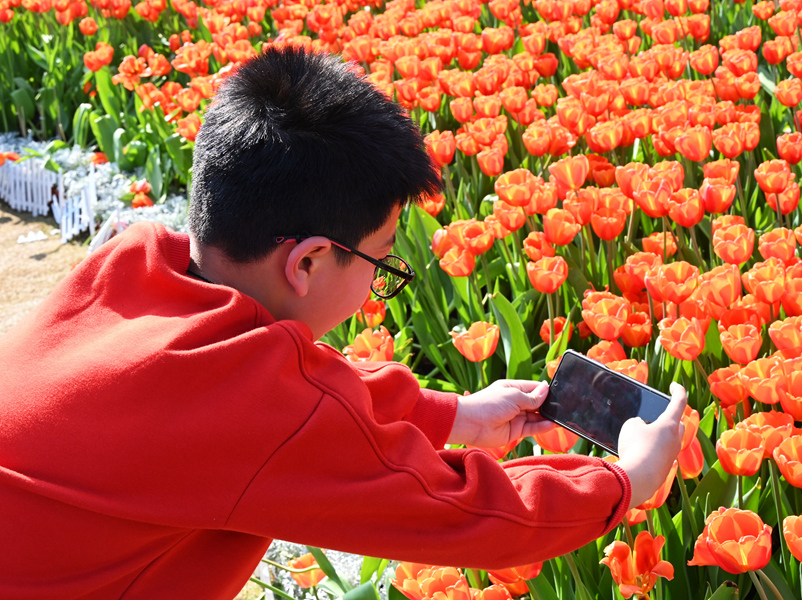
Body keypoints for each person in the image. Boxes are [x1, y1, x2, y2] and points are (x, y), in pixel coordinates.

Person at [0, 47, 685, 599]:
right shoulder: (252, 408)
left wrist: (454, 416)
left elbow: (300, 402)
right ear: (308, 262)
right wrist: (626, 483)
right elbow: (461, 510)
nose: (378, 279)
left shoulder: (133, 266)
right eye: (383, 262)